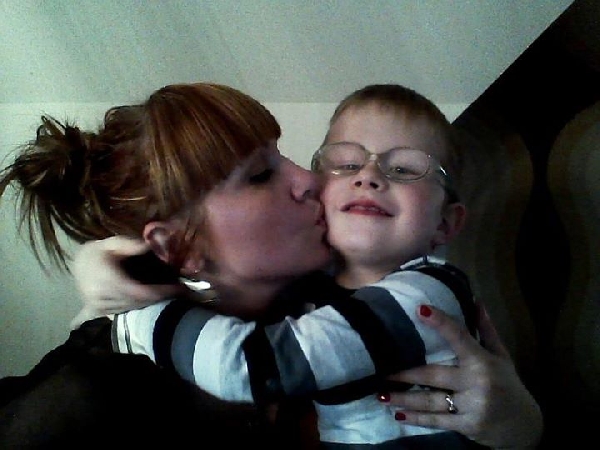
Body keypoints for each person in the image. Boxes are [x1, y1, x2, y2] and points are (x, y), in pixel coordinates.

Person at [0, 82, 542, 449]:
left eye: (284, 155)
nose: (308, 180)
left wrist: (518, 424)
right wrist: (121, 301)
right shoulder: (94, 400)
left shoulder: (327, 297)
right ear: (177, 248)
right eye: (260, 175)